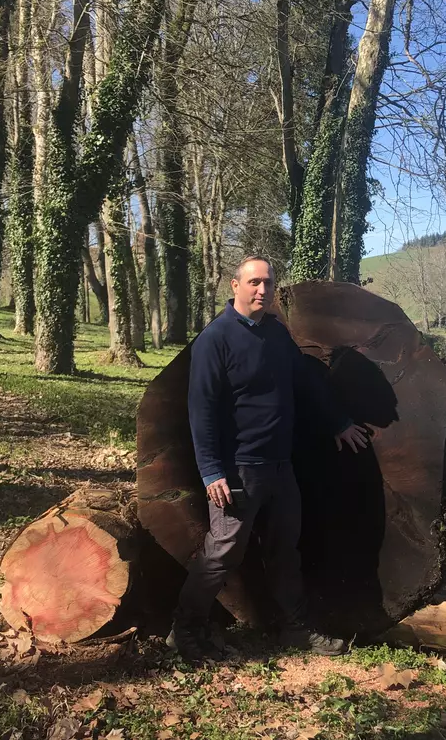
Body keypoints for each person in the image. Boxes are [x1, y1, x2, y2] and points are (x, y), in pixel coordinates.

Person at [169, 255, 371, 663]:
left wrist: (337, 422)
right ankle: (184, 630)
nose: (263, 290)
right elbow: (201, 409)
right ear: (235, 286)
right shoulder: (216, 339)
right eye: (254, 282)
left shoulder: (276, 335)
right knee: (223, 552)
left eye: (268, 283)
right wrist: (211, 471)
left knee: (285, 550)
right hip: (238, 470)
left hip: (280, 467)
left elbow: (305, 382)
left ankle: (294, 629)